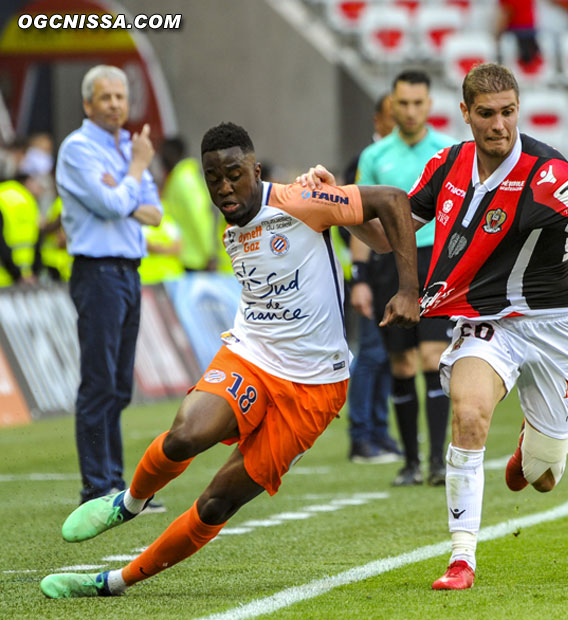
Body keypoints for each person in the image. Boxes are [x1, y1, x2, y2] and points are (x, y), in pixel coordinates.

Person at [301, 63, 568, 590]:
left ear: (518, 110)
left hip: (558, 330)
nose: (499, 124)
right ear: (465, 114)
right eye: (486, 114)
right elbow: (388, 236)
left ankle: (533, 449)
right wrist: (337, 199)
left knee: (543, 478)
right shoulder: (448, 164)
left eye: (508, 112)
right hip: (488, 322)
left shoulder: (549, 173)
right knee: (470, 414)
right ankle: (461, 560)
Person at [39, 121, 420, 599]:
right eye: (213, 177)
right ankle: (129, 503)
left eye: (235, 174)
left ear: (255, 169)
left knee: (217, 502)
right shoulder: (233, 224)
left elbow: (392, 204)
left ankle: (114, 582)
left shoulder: (299, 201)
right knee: (185, 435)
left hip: (314, 386)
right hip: (251, 354)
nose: (224, 187)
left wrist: (409, 290)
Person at [55, 65, 164, 505]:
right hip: (97, 272)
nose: (117, 104)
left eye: (121, 96)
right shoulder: (78, 149)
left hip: (127, 272)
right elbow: (111, 204)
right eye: (106, 98)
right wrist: (134, 172)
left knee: (119, 384)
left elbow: (154, 212)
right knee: (99, 382)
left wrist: (125, 187)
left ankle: (114, 482)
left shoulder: (125, 147)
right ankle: (96, 486)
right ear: (87, 104)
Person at [354, 70, 457, 486]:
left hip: (435, 260)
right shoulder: (374, 157)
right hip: (388, 264)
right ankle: (411, 462)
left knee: (433, 358)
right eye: (403, 103)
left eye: (418, 103)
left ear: (429, 105)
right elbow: (358, 218)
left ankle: (436, 461)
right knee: (402, 363)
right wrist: (359, 277)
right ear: (391, 105)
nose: (411, 111)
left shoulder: (447, 152)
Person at [344, 92, 402, 464]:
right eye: (393, 115)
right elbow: (350, 221)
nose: (402, 121)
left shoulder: (408, 158)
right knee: (371, 353)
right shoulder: (363, 164)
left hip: (397, 271)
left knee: (391, 356)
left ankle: (379, 431)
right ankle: (360, 435)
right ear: (378, 121)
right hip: (372, 272)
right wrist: (359, 274)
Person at [159, 136, 218, 272]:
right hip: (187, 257)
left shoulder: (184, 179)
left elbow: (198, 217)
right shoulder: (178, 178)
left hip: (196, 259)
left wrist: (209, 253)